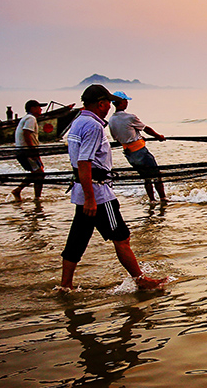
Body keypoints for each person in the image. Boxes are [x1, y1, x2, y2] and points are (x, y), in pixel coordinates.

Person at [60, 85, 165, 292]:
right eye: (108, 102)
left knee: (77, 239)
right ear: (101, 104)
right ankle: (141, 280)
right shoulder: (93, 126)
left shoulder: (78, 122)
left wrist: (86, 196)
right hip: (98, 194)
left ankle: (65, 285)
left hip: (82, 190)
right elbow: (84, 162)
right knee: (121, 237)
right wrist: (91, 199)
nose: (110, 106)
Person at [108, 91, 167, 202]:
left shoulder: (111, 120)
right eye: (125, 101)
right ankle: (163, 199)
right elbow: (146, 129)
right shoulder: (129, 117)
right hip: (140, 151)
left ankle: (152, 200)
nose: (126, 103)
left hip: (129, 153)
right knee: (157, 176)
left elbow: (117, 137)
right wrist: (158, 136)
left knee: (146, 178)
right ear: (121, 102)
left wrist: (138, 137)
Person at [12, 99, 47, 201]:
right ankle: (36, 198)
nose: (40, 109)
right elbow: (26, 133)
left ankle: (19, 191)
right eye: (39, 107)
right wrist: (32, 151)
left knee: (36, 173)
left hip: (25, 150)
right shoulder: (31, 118)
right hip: (26, 151)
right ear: (33, 108)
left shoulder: (27, 118)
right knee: (39, 173)